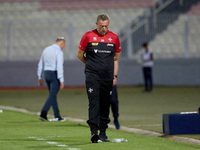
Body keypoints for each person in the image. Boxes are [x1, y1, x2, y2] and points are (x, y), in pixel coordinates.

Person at [77, 14, 121, 143]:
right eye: (102, 26)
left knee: (105, 104)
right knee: (94, 102)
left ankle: (103, 133)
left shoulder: (114, 37)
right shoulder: (88, 36)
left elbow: (116, 56)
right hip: (92, 75)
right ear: (96, 24)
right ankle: (93, 133)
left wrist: (105, 65)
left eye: (106, 26)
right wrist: (91, 65)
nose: (104, 28)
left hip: (107, 77)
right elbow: (80, 55)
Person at [37, 37, 66, 122]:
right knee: (52, 95)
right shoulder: (59, 52)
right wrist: (61, 80)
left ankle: (57, 115)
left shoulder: (46, 50)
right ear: (62, 43)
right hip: (54, 74)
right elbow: (59, 66)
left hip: (46, 74)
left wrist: (40, 76)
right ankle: (43, 113)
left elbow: (40, 63)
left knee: (52, 95)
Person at [111, 60, 120, 130]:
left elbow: (115, 61)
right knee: (103, 101)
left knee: (114, 101)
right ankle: (103, 121)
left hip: (110, 78)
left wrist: (114, 76)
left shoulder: (110, 49)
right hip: (101, 78)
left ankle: (116, 118)